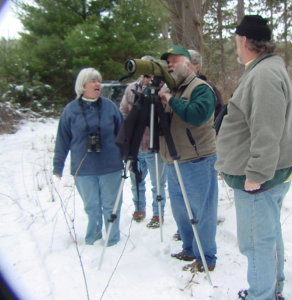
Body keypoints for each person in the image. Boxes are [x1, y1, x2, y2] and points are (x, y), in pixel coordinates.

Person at [215, 15, 292, 300]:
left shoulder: (263, 74)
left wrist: (256, 173)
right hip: (269, 172)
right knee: (268, 236)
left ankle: (261, 295)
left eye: (236, 42)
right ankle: (271, 290)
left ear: (243, 40)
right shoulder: (265, 68)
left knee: (256, 242)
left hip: (259, 178)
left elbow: (267, 128)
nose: (235, 47)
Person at [158, 45, 218, 272]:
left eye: (175, 60)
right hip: (173, 158)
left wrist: (170, 100)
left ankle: (206, 257)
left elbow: (197, 114)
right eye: (168, 62)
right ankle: (190, 248)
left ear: (189, 64)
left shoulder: (200, 88)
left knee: (202, 211)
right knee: (181, 210)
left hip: (197, 159)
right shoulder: (171, 88)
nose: (170, 65)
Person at [53, 67, 124, 246]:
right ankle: (93, 238)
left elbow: (123, 134)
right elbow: (62, 140)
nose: (97, 84)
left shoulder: (110, 107)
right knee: (91, 207)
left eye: (98, 80)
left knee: (111, 206)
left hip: (111, 166)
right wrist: (57, 167)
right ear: (82, 85)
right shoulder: (70, 110)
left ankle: (112, 241)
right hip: (83, 168)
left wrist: (131, 158)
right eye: (93, 81)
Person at [120, 55, 167, 229]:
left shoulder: (162, 90)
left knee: (158, 183)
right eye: (144, 72)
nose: (147, 77)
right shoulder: (131, 89)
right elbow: (123, 111)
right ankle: (139, 208)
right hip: (136, 145)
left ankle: (158, 213)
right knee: (136, 180)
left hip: (155, 145)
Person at [187, 49, 224, 118]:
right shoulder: (173, 87)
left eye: (187, 65)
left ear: (197, 67)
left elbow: (219, 115)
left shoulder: (207, 88)